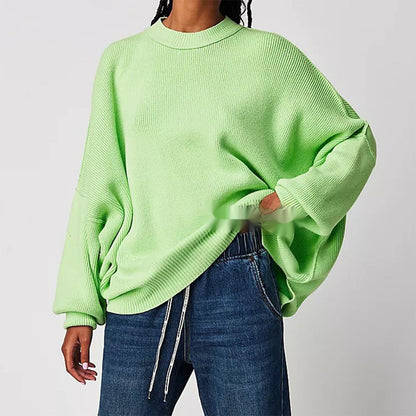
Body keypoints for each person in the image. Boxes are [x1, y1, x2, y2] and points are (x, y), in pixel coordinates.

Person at [52, 0, 377, 415]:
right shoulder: (122, 60)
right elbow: (99, 186)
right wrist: (79, 306)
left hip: (236, 281)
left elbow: (353, 143)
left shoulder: (267, 55)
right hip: (139, 289)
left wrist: (286, 206)